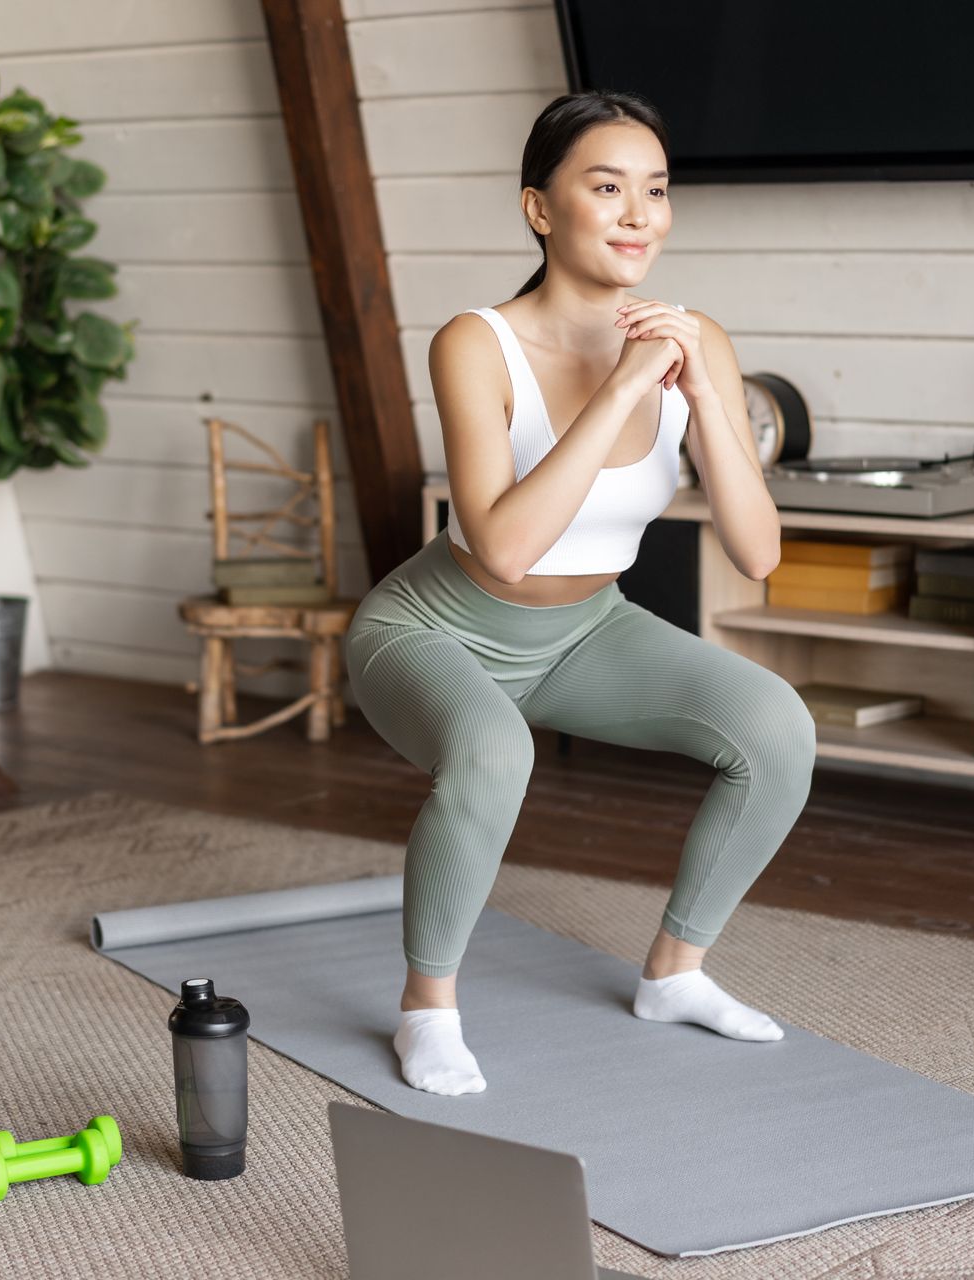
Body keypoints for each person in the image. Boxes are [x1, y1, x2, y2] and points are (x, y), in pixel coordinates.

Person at [343, 90, 818, 1096]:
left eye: (656, 189)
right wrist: (622, 385)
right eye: (607, 187)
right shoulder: (476, 342)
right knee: (491, 747)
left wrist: (700, 397)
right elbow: (505, 547)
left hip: (584, 631)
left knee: (775, 724)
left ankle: (676, 972)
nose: (639, 212)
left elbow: (758, 547)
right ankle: (427, 1008)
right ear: (540, 209)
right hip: (435, 627)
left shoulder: (696, 339)